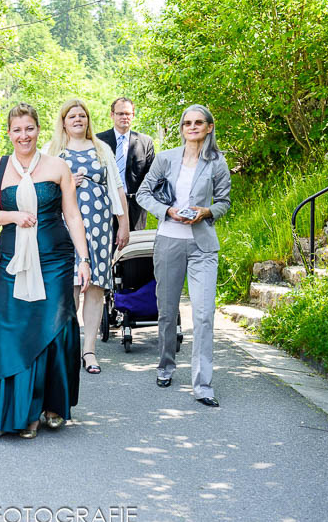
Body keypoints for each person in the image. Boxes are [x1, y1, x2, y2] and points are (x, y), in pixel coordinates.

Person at [0, 103, 93, 439]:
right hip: (14, 258)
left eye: (29, 128)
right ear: (9, 133)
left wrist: (84, 260)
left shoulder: (57, 166)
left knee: (55, 327)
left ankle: (53, 405)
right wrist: (12, 216)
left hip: (55, 258)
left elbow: (72, 215)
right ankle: (24, 411)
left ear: (38, 130)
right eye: (17, 130)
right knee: (16, 330)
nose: (23, 135)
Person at [136, 104, 231, 407]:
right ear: (182, 128)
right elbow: (143, 194)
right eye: (187, 123)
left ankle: (203, 385)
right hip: (168, 242)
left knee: (204, 315)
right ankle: (165, 366)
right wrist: (166, 210)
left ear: (209, 127)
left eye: (198, 123)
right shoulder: (165, 159)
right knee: (166, 311)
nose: (192, 127)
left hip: (203, 245)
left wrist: (206, 212)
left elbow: (224, 202)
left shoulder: (217, 162)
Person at [47, 99, 129, 375]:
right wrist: (66, 184)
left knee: (96, 287)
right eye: (72, 116)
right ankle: (69, 347)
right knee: (70, 287)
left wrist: (124, 223)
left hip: (101, 225)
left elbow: (117, 186)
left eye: (82, 115)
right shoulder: (54, 152)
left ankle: (89, 350)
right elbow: (43, 190)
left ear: (88, 119)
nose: (78, 119)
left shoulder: (101, 148)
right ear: (63, 122)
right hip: (67, 226)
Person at [96, 97, 155, 230]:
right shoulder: (98, 141)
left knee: (134, 248)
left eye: (128, 113)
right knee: (108, 247)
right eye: (120, 113)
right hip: (105, 203)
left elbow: (152, 176)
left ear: (133, 115)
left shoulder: (145, 142)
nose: (124, 117)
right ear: (112, 115)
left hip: (135, 208)